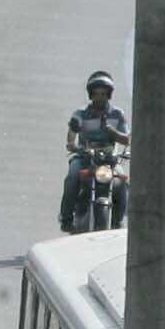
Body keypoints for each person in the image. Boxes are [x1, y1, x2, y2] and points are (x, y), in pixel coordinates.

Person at [61, 70, 131, 231]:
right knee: (72, 177)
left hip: (109, 161)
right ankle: (66, 218)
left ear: (109, 95)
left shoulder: (117, 114)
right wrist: (72, 144)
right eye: (96, 94)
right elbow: (72, 132)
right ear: (90, 95)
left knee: (122, 182)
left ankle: (118, 221)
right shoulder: (80, 114)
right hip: (85, 158)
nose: (100, 97)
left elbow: (126, 139)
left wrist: (110, 130)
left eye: (103, 94)